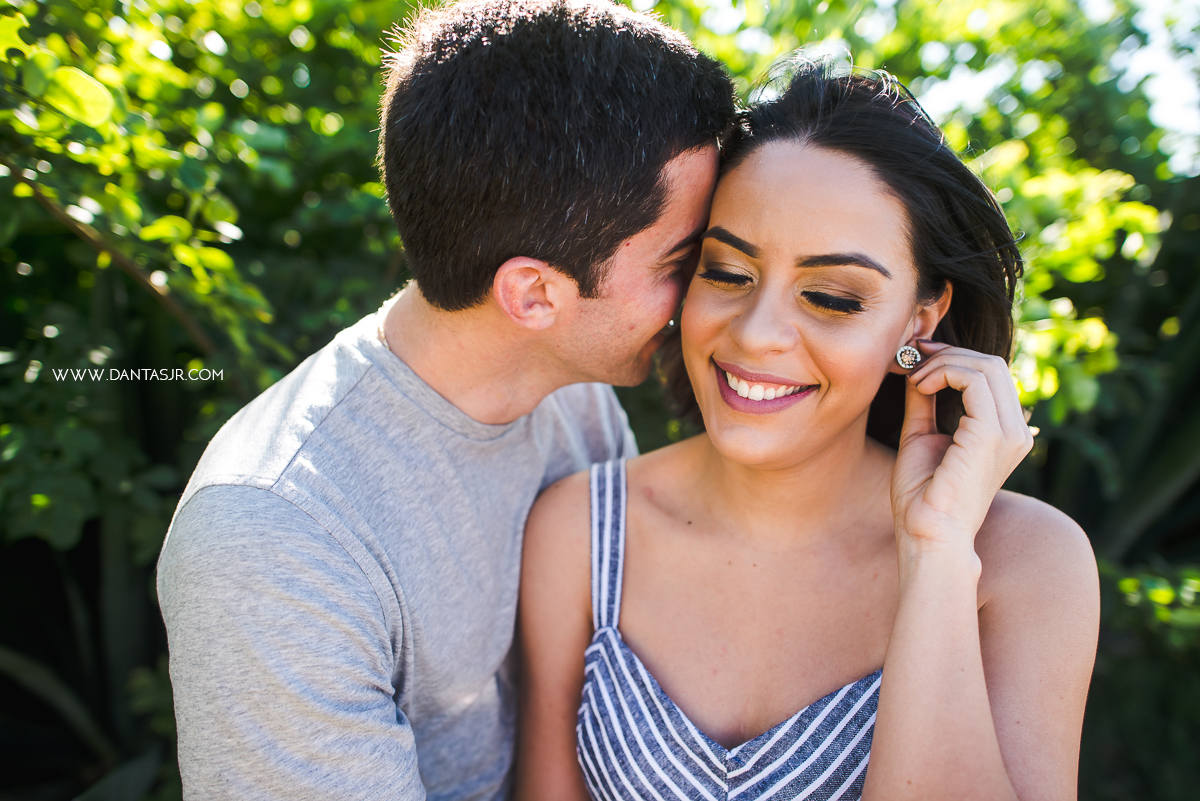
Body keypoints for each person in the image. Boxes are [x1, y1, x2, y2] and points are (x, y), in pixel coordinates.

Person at [155, 1, 736, 798]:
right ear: (533, 294)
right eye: (683, 257)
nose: (701, 292)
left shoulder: (575, 396)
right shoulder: (276, 538)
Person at [517, 57, 1100, 801]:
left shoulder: (1028, 561)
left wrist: (938, 553)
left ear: (920, 318)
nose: (758, 334)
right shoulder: (581, 530)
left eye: (829, 295)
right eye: (726, 272)